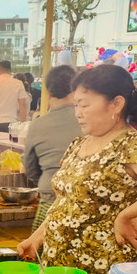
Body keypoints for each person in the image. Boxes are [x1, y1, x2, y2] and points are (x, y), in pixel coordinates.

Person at [16, 64, 137, 274]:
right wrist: (37, 237)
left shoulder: (131, 145)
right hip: (61, 265)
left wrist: (126, 215)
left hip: (104, 268)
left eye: (85, 105)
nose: (78, 113)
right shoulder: (79, 143)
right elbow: (66, 201)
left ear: (116, 104)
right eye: (76, 105)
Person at [22, 65, 82, 231]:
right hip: (85, 202)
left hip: (50, 198)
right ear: (75, 88)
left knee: (42, 255)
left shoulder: (38, 124)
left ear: (47, 91)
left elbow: (30, 168)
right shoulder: (88, 119)